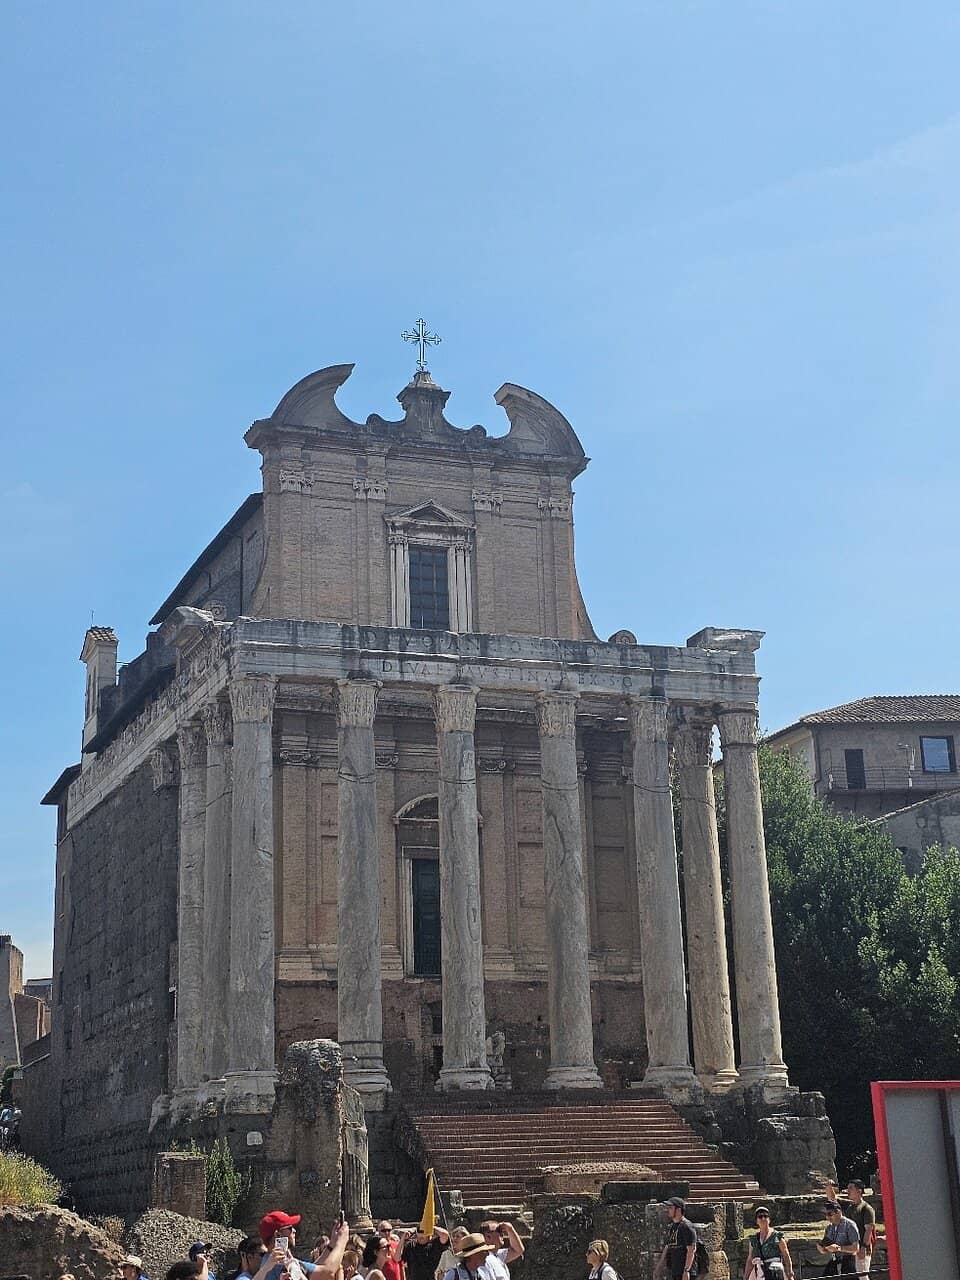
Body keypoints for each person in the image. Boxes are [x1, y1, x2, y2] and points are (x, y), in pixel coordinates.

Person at [742, 1207, 792, 1280]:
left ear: (769, 1220)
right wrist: (745, 1277)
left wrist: (790, 1273)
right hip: (760, 1274)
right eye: (760, 1216)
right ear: (757, 1221)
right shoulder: (753, 1240)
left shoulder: (777, 1236)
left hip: (775, 1272)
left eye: (765, 1216)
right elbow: (750, 1260)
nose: (763, 1218)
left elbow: (786, 1255)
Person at [654, 1197, 697, 1280]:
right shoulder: (673, 1226)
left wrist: (686, 1271)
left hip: (685, 1273)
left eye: (670, 1208)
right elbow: (667, 1247)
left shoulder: (686, 1226)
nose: (667, 1210)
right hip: (676, 1271)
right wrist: (659, 1267)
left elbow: (691, 1249)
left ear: (678, 1210)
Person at [816, 1203, 859, 1275]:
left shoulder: (849, 1225)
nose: (827, 1217)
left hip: (848, 1261)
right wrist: (823, 1249)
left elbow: (856, 1248)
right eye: (825, 1214)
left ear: (839, 1212)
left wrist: (839, 1248)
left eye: (830, 1214)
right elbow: (827, 1246)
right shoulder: (829, 1228)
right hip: (834, 1260)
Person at [845, 1182, 876, 1276]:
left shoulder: (867, 1208)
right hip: (852, 1248)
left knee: (862, 1276)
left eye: (851, 1188)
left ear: (859, 1191)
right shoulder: (850, 1208)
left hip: (862, 1248)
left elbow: (868, 1230)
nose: (848, 1191)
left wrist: (863, 1248)